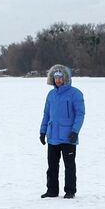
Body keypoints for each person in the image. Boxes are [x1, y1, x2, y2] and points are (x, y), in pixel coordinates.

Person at [40, 64, 85, 198]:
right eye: (56, 77)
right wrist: (43, 131)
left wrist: (75, 131)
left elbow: (80, 114)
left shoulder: (75, 94)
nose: (58, 80)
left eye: (60, 77)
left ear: (66, 78)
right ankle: (52, 190)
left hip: (68, 137)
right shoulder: (51, 95)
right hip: (52, 136)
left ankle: (70, 191)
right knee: (52, 166)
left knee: (69, 166)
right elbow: (46, 114)